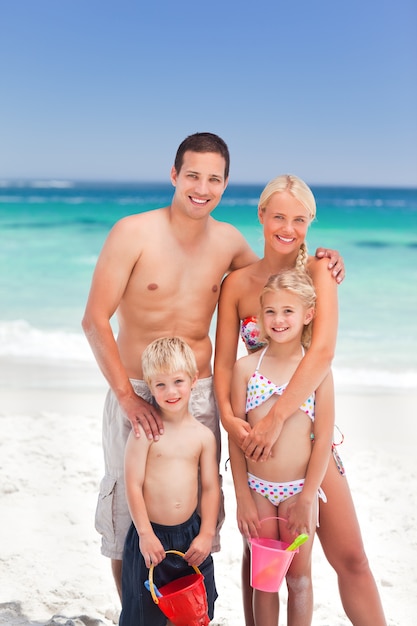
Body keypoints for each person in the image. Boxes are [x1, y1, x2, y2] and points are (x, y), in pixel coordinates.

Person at [82, 132, 344, 599]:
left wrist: (326, 260)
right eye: (193, 176)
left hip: (200, 391)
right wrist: (125, 397)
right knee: (128, 509)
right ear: (174, 175)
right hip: (139, 390)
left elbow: (277, 273)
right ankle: (137, 611)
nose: (202, 188)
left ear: (225, 185)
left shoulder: (228, 243)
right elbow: (94, 320)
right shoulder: (132, 232)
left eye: (214, 180)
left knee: (199, 507)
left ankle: (188, 606)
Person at [214, 174, 387, 625]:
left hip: (309, 434)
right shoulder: (237, 283)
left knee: (351, 558)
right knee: (262, 564)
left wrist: (276, 418)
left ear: (310, 223)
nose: (287, 228)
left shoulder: (318, 272)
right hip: (257, 447)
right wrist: (233, 424)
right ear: (261, 216)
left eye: (299, 219)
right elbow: (223, 367)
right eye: (278, 216)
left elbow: (323, 353)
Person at [229, 269, 334, 626]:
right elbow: (236, 438)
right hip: (257, 491)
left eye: (288, 311)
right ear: (260, 316)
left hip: (297, 492)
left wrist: (307, 497)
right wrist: (242, 496)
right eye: (270, 311)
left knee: (299, 578)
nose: (278, 319)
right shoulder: (245, 369)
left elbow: (323, 438)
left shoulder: (316, 371)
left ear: (308, 315)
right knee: (265, 580)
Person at [119, 337, 220, 626]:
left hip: (190, 535)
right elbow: (133, 484)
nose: (170, 391)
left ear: (194, 380)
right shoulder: (144, 432)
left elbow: (211, 487)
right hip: (151, 536)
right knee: (143, 613)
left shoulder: (203, 436)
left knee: (197, 608)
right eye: (160, 384)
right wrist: (145, 534)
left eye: (178, 381)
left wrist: (206, 534)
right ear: (150, 387)